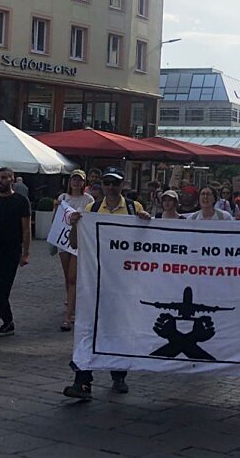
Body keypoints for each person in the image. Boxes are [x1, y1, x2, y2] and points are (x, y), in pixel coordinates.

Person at [62, 167, 151, 400]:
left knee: (121, 328)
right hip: (95, 280)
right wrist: (74, 224)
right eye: (107, 182)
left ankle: (119, 374)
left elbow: (149, 243)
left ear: (123, 185)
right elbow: (75, 243)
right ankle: (82, 381)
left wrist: (146, 223)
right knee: (88, 328)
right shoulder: (91, 209)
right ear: (101, 184)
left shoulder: (134, 208)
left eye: (115, 183)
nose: (111, 187)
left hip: (125, 282)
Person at [0, 167, 31, 341]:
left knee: (4, 287)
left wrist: (26, 253)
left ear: (12, 179)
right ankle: (8, 322)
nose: (0, 181)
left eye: (4, 178)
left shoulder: (21, 201)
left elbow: (26, 229)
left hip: (11, 250)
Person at [55, 170, 94, 332]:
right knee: (67, 276)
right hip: (63, 241)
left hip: (80, 241)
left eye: (79, 180)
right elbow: (56, 218)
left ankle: (69, 315)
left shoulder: (88, 199)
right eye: (74, 180)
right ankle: (71, 301)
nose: (76, 183)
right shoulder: (63, 198)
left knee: (73, 277)